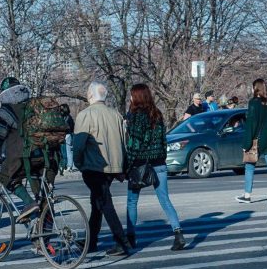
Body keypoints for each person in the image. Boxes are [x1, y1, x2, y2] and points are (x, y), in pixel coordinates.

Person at [125, 83, 186, 251]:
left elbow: (133, 145)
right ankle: (178, 233)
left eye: (131, 95)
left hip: (140, 165)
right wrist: (161, 158)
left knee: (132, 201)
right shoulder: (157, 114)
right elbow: (163, 141)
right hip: (159, 163)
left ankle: (130, 237)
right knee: (165, 199)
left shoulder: (135, 116)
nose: (130, 98)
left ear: (136, 97)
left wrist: (128, 165)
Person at [73, 81, 130, 256]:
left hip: (94, 166)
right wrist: (122, 167)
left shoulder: (85, 115)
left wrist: (78, 162)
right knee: (97, 202)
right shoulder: (116, 114)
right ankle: (91, 241)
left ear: (90, 96)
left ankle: (122, 241)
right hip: (113, 167)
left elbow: (79, 144)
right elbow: (124, 142)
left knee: (104, 203)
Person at [0, 77, 43, 222]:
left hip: (22, 155)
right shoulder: (34, 106)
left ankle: (28, 204)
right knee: (42, 199)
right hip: (43, 156)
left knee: (5, 178)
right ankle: (41, 238)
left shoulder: (7, 110)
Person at [236, 79, 267, 203]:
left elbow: (251, 124)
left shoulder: (253, 103)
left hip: (256, 141)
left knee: (250, 167)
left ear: (255, 88)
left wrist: (246, 144)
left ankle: (247, 195)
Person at [59, 103, 76, 172]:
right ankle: (64, 165)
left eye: (62, 108)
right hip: (62, 135)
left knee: (68, 151)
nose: (61, 109)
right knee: (63, 152)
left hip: (67, 135)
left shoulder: (68, 117)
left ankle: (69, 166)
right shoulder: (62, 116)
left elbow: (72, 127)